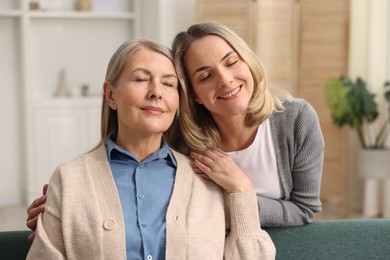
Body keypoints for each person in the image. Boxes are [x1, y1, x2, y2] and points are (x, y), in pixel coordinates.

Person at [26, 39, 275, 259]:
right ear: (111, 95)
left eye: (169, 84)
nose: (156, 92)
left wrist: (242, 192)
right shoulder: (70, 179)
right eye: (141, 79)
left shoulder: (207, 180)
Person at [171, 22, 324, 227]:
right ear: (195, 95)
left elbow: (304, 210)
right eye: (205, 76)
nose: (225, 80)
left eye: (231, 62)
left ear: (248, 62)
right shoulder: (181, 138)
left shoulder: (297, 119)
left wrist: (241, 190)